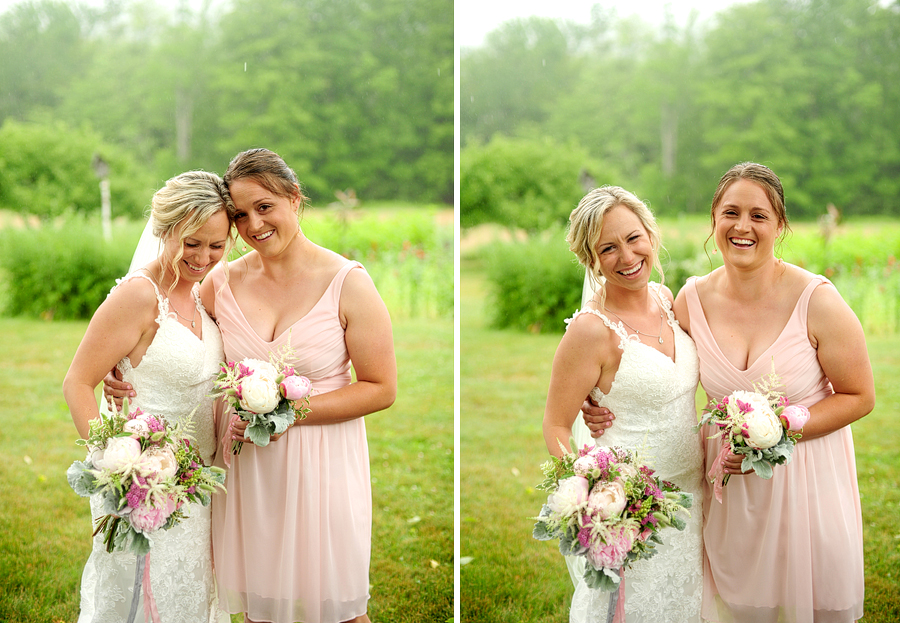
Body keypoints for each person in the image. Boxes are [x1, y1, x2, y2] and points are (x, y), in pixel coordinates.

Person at [110, 148, 396, 623]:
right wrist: (119, 364)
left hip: (321, 463)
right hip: (244, 468)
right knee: (255, 606)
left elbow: (381, 387)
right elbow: (169, 330)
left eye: (265, 207)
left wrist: (285, 412)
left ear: (295, 198)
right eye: (240, 215)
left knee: (338, 608)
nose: (254, 225)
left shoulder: (348, 283)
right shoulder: (220, 282)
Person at [585, 162, 875, 623]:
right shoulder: (689, 300)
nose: (743, 226)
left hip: (806, 490)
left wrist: (779, 429)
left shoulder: (818, 301)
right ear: (714, 221)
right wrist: (596, 396)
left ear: (780, 225)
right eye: (731, 212)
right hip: (729, 497)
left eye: (759, 216)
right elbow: (646, 359)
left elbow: (860, 396)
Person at [63, 171, 234, 623]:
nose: (203, 257)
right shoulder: (139, 295)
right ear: (165, 230)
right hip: (142, 486)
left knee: (190, 593)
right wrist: (118, 467)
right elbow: (77, 382)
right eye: (192, 243)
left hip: (197, 481)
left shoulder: (202, 294)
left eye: (217, 245)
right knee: (140, 597)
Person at [542, 186, 704, 623]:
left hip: (694, 497)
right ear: (590, 259)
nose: (627, 256)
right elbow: (556, 426)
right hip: (635, 509)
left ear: (650, 235)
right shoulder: (590, 331)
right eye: (608, 248)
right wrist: (597, 494)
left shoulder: (668, 301)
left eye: (633, 238)